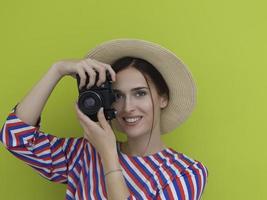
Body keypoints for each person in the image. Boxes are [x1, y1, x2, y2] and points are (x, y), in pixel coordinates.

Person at [0, 39, 208, 200]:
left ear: (163, 98)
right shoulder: (85, 153)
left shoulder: (185, 173)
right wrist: (57, 70)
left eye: (140, 93)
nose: (127, 107)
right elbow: (15, 137)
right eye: (117, 96)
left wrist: (108, 154)